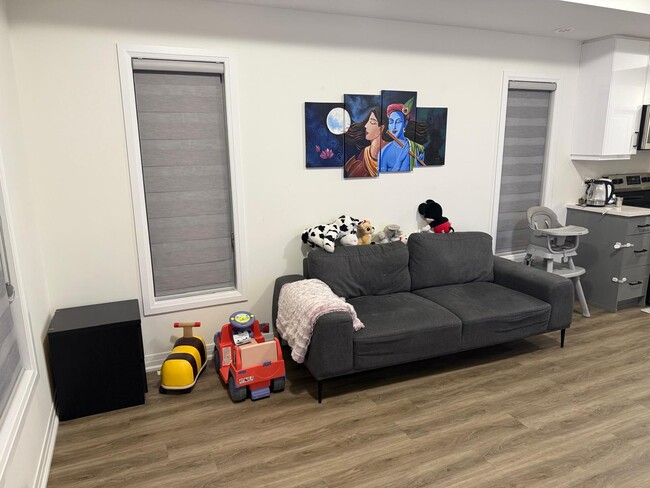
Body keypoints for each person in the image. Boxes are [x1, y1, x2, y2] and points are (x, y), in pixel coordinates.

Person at [379, 103, 425, 172]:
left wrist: (418, 167)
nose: (394, 126)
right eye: (391, 122)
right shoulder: (384, 152)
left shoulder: (418, 149)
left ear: (405, 124)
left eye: (398, 122)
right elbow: (383, 177)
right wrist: (399, 161)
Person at [344, 108, 384, 178]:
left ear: (381, 128)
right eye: (368, 121)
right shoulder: (363, 154)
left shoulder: (388, 152)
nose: (366, 126)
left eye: (372, 122)